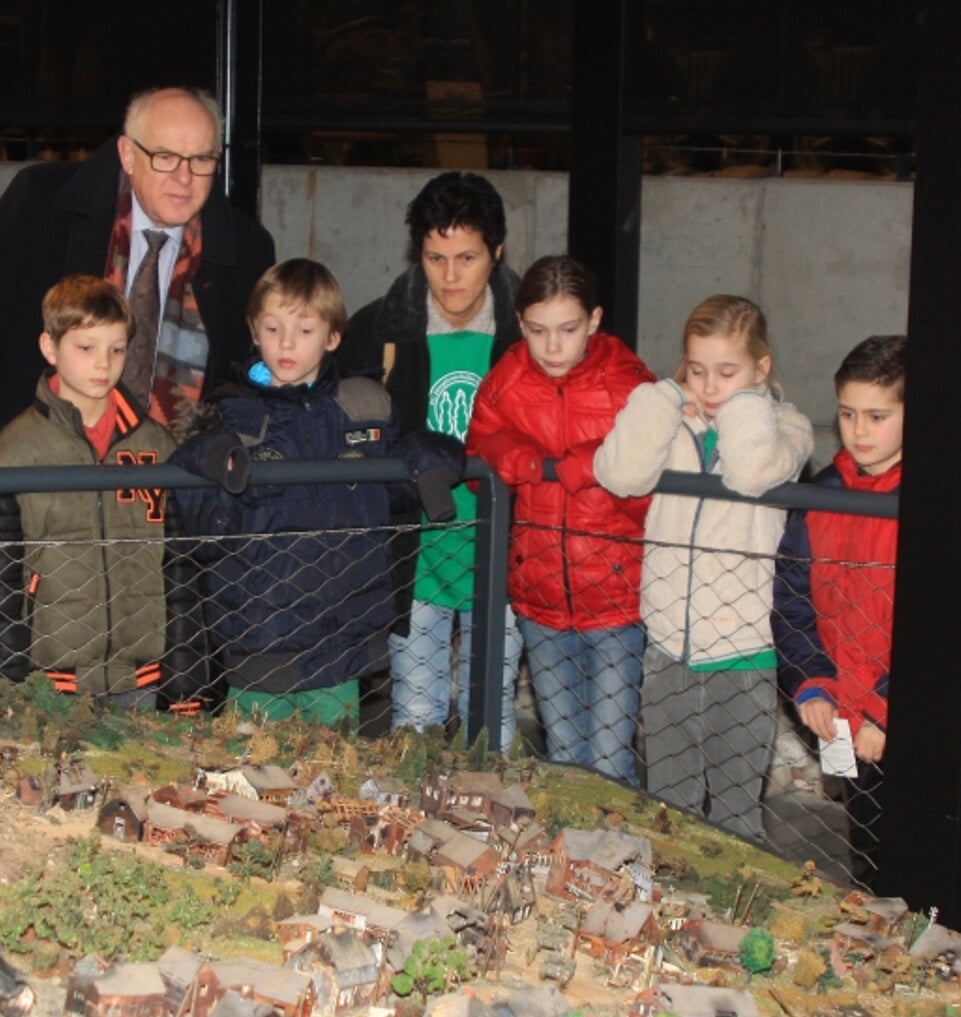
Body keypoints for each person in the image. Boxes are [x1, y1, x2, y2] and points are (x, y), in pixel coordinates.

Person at [171, 259, 462, 725]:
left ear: (332, 337)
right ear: (253, 330)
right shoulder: (229, 418)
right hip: (260, 640)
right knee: (254, 773)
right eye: (273, 327)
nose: (287, 343)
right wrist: (210, 462)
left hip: (339, 642)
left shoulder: (364, 407)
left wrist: (433, 458)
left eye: (304, 330)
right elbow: (199, 527)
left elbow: (398, 491)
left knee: (330, 775)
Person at [0, 86, 277, 454]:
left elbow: (248, 382)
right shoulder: (40, 205)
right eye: (165, 157)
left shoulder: (247, 250)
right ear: (128, 155)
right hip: (36, 473)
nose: (185, 178)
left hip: (178, 486)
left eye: (201, 160)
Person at [595, 296, 813, 838]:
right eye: (696, 369)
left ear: (762, 368)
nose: (710, 386)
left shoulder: (788, 427)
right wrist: (666, 397)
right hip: (669, 643)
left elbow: (751, 471)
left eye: (727, 371)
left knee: (737, 815)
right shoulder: (674, 421)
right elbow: (619, 473)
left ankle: (738, 912)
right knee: (669, 807)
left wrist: (744, 403)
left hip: (743, 652)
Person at [339, 171, 525, 749]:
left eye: (466, 258)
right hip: (412, 557)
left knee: (489, 717)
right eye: (434, 257)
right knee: (413, 718)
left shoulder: (533, 333)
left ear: (496, 253)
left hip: (504, 554)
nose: (449, 276)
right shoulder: (377, 329)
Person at [468, 256, 653, 783]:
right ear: (520, 323)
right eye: (538, 331)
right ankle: (573, 859)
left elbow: (658, 489)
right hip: (540, 597)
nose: (552, 347)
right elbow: (477, 450)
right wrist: (506, 451)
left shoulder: (632, 387)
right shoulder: (507, 381)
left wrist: (601, 465)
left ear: (594, 321)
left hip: (618, 600)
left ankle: (619, 859)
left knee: (611, 758)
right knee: (566, 754)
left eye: (568, 330)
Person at [0, 276, 179, 707]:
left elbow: (181, 567)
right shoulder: (11, 452)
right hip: (50, 682)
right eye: (86, 348)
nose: (103, 364)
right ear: (50, 347)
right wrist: (4, 689)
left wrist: (186, 678)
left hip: (139, 679)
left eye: (116, 349)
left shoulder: (158, 446)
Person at [774, 335, 907, 883]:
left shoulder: (930, 503)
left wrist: (886, 707)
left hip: (891, 713)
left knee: (912, 855)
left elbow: (943, 630)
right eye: (848, 413)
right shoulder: (822, 493)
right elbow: (792, 600)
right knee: (866, 843)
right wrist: (809, 682)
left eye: (878, 415)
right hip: (839, 713)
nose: (860, 430)